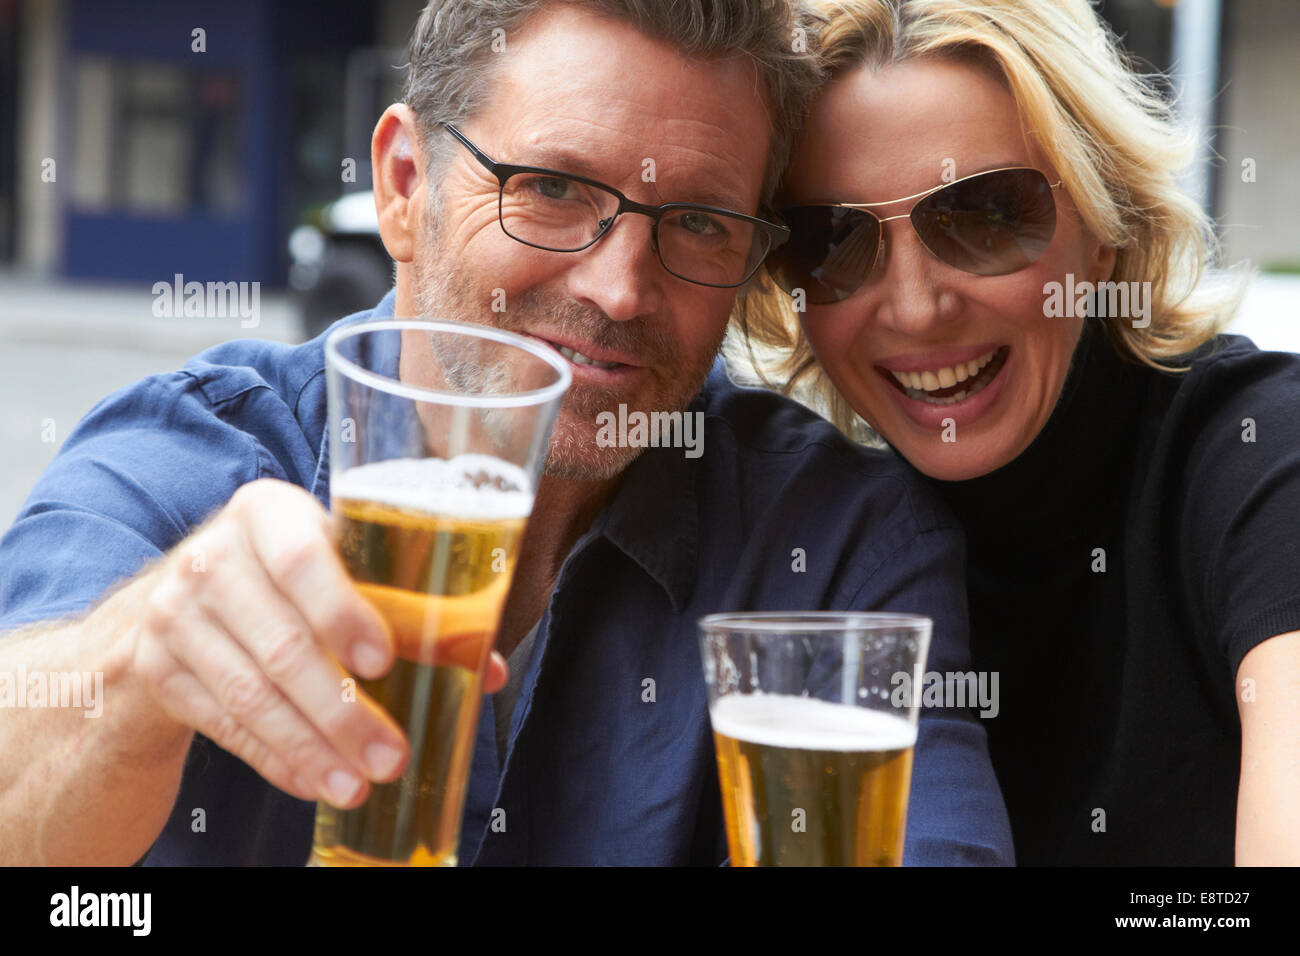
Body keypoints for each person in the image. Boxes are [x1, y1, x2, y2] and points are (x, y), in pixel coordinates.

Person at [0, 0, 1012, 865]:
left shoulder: (831, 538)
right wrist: (139, 661)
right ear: (403, 186)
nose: (618, 289)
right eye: (554, 190)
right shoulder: (204, 450)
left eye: (699, 221)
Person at [737, 0, 1300, 864]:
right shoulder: (811, 537)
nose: (918, 308)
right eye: (834, 240)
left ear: (1107, 227)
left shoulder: (1259, 456)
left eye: (986, 216)